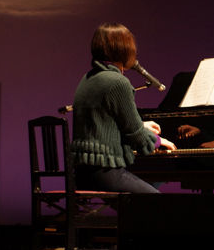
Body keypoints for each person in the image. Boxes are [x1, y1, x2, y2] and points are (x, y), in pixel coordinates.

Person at [70, 22, 176, 193]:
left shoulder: (88, 78)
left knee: (152, 185)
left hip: (83, 172)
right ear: (124, 49)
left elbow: (104, 124)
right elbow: (137, 137)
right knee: (158, 202)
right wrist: (158, 141)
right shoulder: (118, 82)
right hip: (106, 171)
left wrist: (142, 125)